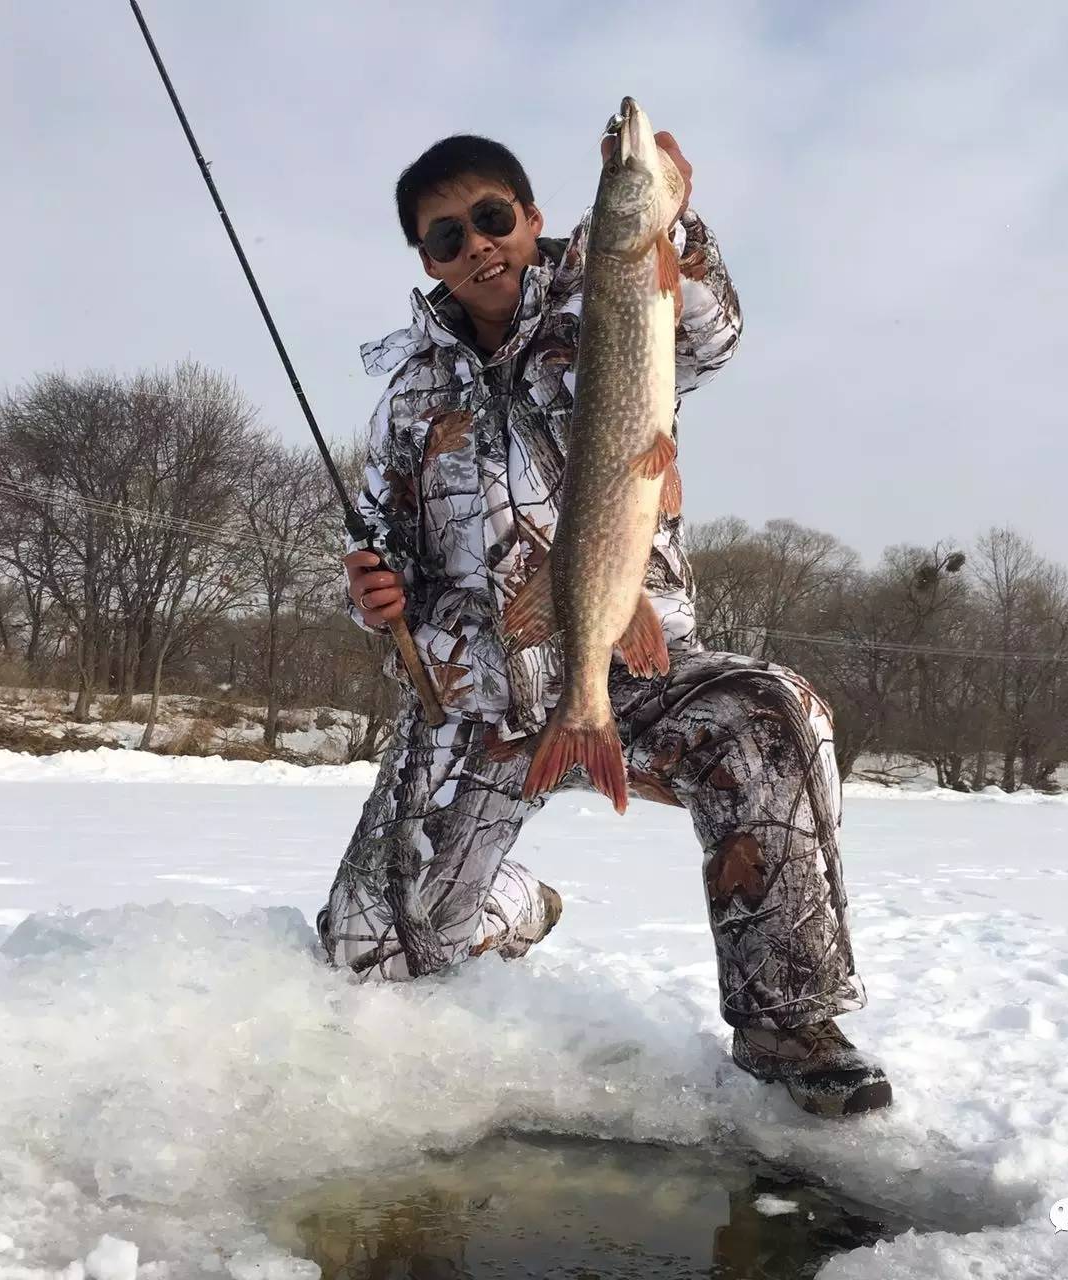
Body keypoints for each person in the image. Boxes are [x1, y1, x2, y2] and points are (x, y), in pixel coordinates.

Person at [317, 130, 893, 1117]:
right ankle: (512, 901)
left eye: (492, 218)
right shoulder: (409, 395)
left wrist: (675, 220)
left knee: (770, 714)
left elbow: (710, 335)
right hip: (478, 696)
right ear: (427, 259)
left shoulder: (606, 300)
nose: (476, 245)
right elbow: (383, 535)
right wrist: (376, 596)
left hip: (633, 662)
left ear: (532, 218)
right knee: (363, 955)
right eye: (447, 235)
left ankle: (788, 1026)